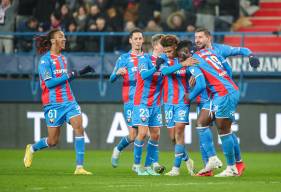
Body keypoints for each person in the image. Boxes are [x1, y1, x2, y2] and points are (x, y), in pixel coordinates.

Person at [23, 29, 95, 175]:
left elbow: (66, 78)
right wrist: (72, 74)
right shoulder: (45, 60)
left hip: (69, 101)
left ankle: (79, 167)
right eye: (61, 36)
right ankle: (31, 148)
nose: (64, 39)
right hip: (53, 104)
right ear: (53, 40)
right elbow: (49, 84)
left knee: (79, 127)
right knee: (53, 141)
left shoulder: (63, 58)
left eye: (64, 36)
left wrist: (76, 73)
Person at [191, 27, 260, 176]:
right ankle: (209, 164)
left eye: (200, 37)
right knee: (202, 125)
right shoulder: (199, 54)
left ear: (209, 38)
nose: (197, 40)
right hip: (207, 96)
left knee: (224, 129)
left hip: (221, 93)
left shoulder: (219, 50)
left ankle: (235, 165)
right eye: (195, 37)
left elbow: (238, 54)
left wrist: (251, 55)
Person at [157, 35, 197, 176]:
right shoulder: (162, 59)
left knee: (179, 131)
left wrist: (194, 76)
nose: (168, 53)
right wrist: (182, 65)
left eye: (170, 51)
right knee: (173, 137)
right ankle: (187, 160)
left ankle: (175, 169)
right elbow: (164, 71)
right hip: (168, 102)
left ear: (175, 46)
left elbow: (196, 70)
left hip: (182, 101)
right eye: (165, 51)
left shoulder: (184, 57)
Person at [131, 34, 165, 176]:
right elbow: (144, 75)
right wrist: (156, 67)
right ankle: (137, 166)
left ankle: (147, 166)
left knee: (156, 135)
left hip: (156, 103)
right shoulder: (144, 59)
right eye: (163, 44)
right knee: (143, 133)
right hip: (142, 102)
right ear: (156, 46)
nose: (165, 47)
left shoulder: (166, 61)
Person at [110, 28, 144, 168]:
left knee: (145, 133)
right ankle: (117, 149)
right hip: (130, 100)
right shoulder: (123, 58)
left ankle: (140, 165)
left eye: (140, 38)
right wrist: (117, 73)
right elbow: (111, 79)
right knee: (132, 135)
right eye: (135, 39)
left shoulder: (146, 58)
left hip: (144, 100)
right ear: (130, 40)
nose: (138, 41)